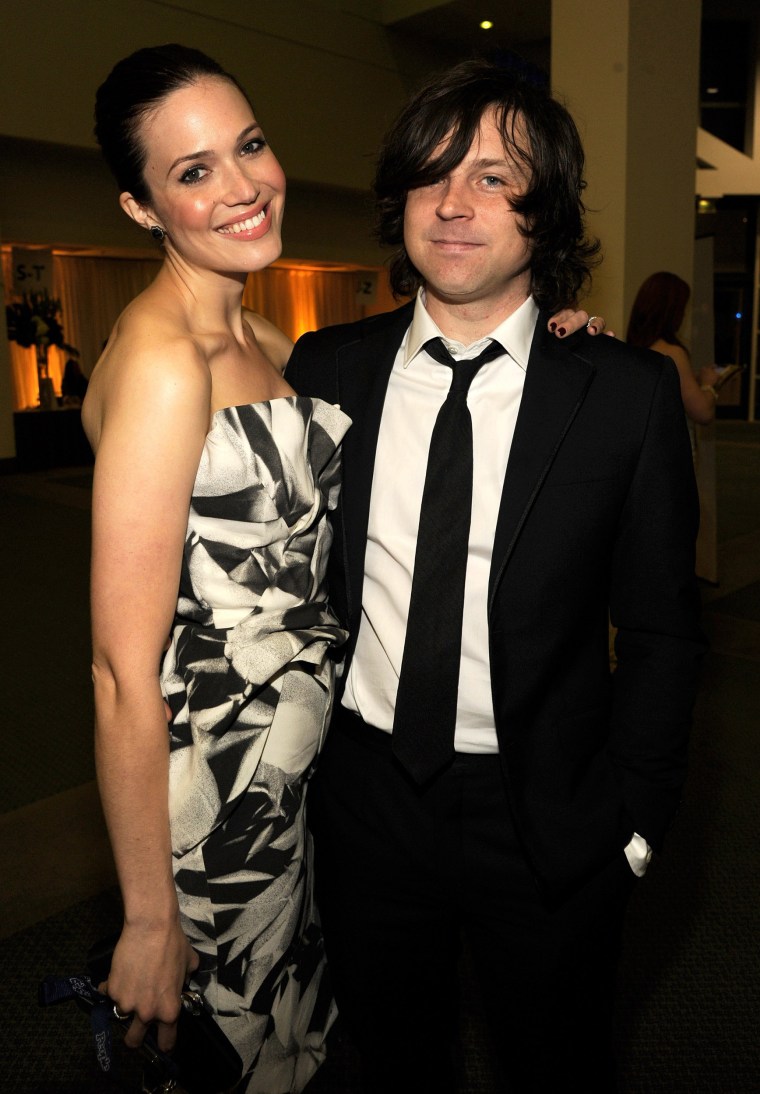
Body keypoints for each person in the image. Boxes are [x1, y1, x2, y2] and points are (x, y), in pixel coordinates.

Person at [81, 45, 598, 1093]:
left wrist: (555, 352)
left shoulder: (273, 340)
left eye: (250, 145)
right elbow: (119, 670)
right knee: (243, 1060)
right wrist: (145, 912)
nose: (241, 185)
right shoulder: (163, 366)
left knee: (307, 1046)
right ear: (141, 209)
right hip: (221, 800)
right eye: (192, 172)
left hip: (309, 784)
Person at [286, 59, 706, 1093]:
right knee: (388, 1064)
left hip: (552, 813)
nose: (454, 202)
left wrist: (637, 828)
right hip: (368, 802)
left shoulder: (621, 393)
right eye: (432, 175)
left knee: (556, 1063)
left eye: (492, 176)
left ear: (545, 209)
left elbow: (660, 628)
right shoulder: (323, 368)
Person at [627, 270, 720, 424]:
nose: (683, 315)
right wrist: (708, 384)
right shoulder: (672, 354)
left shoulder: (633, 348)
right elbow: (702, 412)